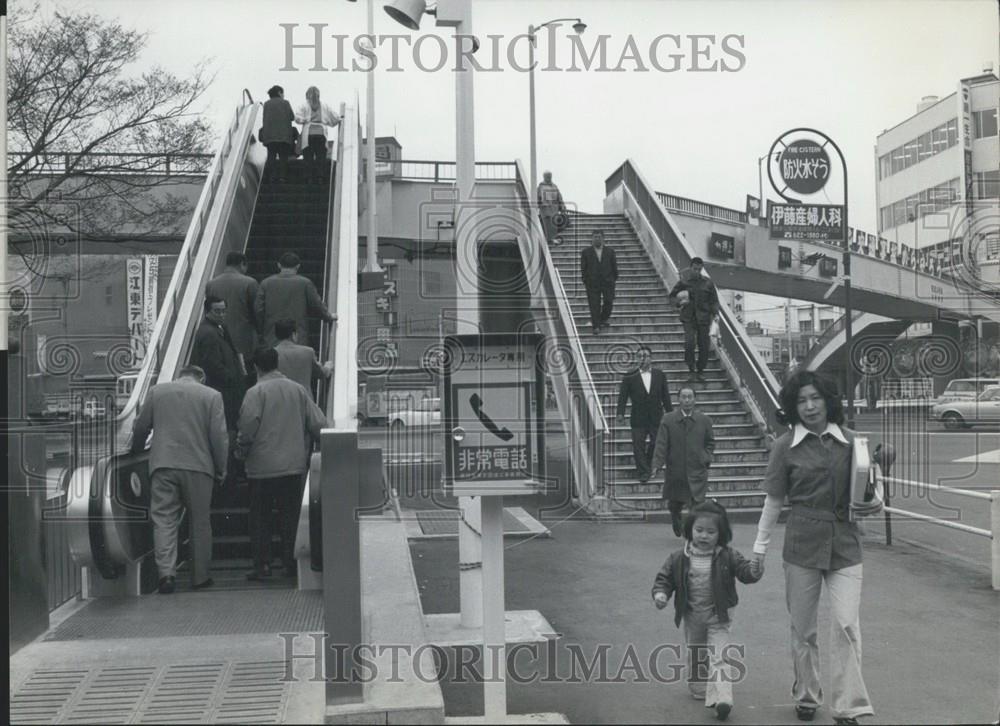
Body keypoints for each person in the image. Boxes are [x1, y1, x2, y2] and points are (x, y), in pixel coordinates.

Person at [751, 370, 875, 725]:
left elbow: (871, 492)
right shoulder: (784, 447)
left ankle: (848, 705)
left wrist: (874, 503)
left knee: (847, 624)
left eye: (815, 398)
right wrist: (759, 549)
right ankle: (807, 694)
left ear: (828, 401)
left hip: (846, 545)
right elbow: (773, 502)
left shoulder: (854, 442)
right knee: (803, 629)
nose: (809, 406)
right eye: (801, 400)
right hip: (801, 544)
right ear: (793, 407)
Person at [652, 501, 761, 721]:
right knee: (696, 651)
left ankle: (722, 698)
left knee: (719, 656)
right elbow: (665, 579)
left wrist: (755, 570)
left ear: (720, 534)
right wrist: (661, 594)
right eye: (699, 530)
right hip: (692, 614)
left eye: (711, 532)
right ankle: (698, 686)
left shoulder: (727, 555)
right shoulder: (678, 557)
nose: (704, 536)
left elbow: (744, 572)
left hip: (719, 615)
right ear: (690, 529)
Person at [130, 365, 228, 594]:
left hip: (163, 464)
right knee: (200, 521)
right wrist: (221, 467)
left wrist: (136, 450)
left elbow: (141, 426)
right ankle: (200, 577)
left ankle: (166, 575)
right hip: (199, 466)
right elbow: (219, 436)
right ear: (200, 376)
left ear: (180, 375)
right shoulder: (212, 396)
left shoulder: (157, 392)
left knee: (164, 520)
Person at [237, 347, 328, 580]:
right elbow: (318, 423)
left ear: (256, 367)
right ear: (277, 363)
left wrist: (241, 450)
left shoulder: (255, 393)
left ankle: (263, 566)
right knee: (290, 516)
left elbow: (248, 428)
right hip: (293, 465)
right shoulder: (297, 390)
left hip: (261, 468)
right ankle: (290, 564)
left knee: (260, 518)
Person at [651, 386, 716, 537]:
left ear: (695, 399)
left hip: (697, 470)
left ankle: (692, 534)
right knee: (675, 503)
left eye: (690, 397)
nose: (687, 400)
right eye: (684, 397)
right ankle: (675, 518)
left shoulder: (704, 420)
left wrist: (705, 457)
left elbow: (710, 442)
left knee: (697, 504)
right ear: (678, 399)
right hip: (676, 470)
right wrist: (657, 464)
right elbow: (661, 444)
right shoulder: (668, 420)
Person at [616, 346, 673, 482]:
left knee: (655, 442)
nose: (643, 359)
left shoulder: (660, 375)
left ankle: (647, 464)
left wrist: (671, 414)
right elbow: (622, 396)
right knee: (638, 445)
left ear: (651, 358)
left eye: (646, 356)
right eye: (640, 356)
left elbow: (665, 396)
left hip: (656, 416)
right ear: (636, 359)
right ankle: (643, 472)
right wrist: (620, 413)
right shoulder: (630, 376)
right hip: (638, 417)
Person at [190, 296, 246, 434]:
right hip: (222, 388)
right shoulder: (209, 333)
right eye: (217, 311)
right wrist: (233, 379)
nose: (221, 314)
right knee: (226, 425)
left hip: (226, 386)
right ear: (207, 311)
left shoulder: (219, 328)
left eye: (223, 311)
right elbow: (212, 365)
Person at [255, 252, 337, 346]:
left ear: (279, 265)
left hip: (271, 337)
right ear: (298, 266)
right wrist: (329, 317)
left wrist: (261, 330)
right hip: (297, 337)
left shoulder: (265, 283)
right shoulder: (305, 283)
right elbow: (316, 306)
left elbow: (258, 310)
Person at [206, 252, 259, 380]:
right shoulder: (250, 283)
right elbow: (257, 311)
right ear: (242, 264)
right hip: (244, 340)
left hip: (219, 338)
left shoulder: (211, 284)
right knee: (246, 377)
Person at [669, 257, 720, 381]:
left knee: (704, 345)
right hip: (688, 318)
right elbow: (672, 297)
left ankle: (701, 370)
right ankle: (691, 369)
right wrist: (679, 303)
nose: (697, 271)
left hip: (703, 318)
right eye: (695, 269)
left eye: (699, 269)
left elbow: (714, 301)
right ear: (690, 268)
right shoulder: (684, 282)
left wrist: (716, 314)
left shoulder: (708, 283)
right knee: (689, 343)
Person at [274, 318, 334, 397]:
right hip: (304, 402)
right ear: (293, 335)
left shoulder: (271, 355)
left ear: (276, 335)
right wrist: (327, 367)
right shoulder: (307, 352)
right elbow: (321, 373)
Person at [295, 86, 341, 184]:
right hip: (321, 134)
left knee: (308, 157)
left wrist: (305, 120)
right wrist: (328, 122)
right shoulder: (325, 105)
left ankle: (309, 178)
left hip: (308, 135)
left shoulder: (304, 105)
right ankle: (320, 177)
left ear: (307, 96)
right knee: (321, 157)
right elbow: (336, 118)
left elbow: (297, 118)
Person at [580, 229, 618, 335]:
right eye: (595, 237)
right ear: (592, 239)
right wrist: (586, 280)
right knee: (594, 305)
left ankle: (601, 319)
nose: (597, 239)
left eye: (599, 237)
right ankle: (596, 326)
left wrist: (613, 279)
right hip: (592, 283)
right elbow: (583, 268)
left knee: (608, 303)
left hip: (608, 283)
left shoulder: (610, 252)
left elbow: (614, 267)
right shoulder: (586, 252)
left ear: (603, 238)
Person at [260, 85, 295, 183]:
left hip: (269, 137)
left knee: (271, 156)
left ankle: (272, 177)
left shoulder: (266, 104)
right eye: (283, 93)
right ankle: (282, 177)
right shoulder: (285, 103)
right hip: (283, 136)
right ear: (279, 92)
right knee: (283, 157)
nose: (283, 95)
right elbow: (292, 117)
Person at [537, 171, 567, 245]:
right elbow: (537, 198)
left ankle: (553, 239)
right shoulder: (540, 187)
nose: (549, 178)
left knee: (553, 225)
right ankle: (548, 240)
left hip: (554, 209)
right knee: (547, 225)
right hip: (545, 209)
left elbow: (559, 197)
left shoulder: (554, 186)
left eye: (550, 176)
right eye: (547, 176)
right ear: (544, 177)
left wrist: (562, 206)